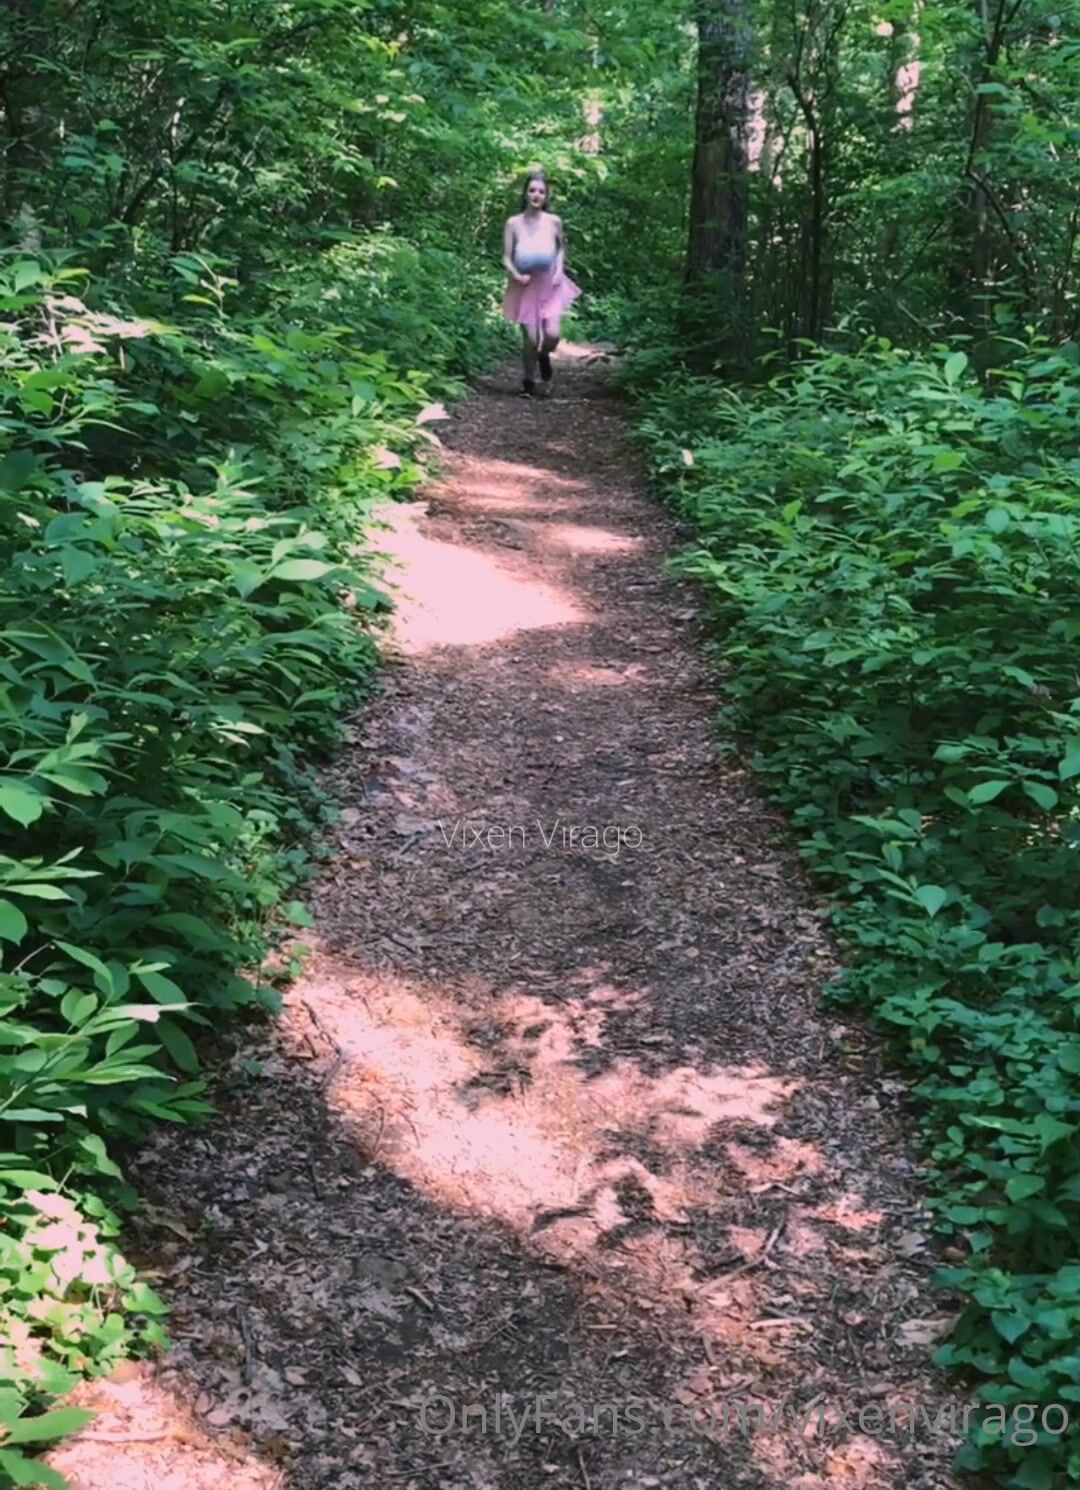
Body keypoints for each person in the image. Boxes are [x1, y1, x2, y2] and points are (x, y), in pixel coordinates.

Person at [502, 171, 581, 397]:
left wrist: (559, 270)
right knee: (531, 339)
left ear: (546, 196)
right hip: (524, 286)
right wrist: (516, 275)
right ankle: (528, 380)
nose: (536, 195)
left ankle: (544, 355)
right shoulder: (513, 223)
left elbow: (560, 248)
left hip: (551, 285)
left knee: (552, 336)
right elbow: (506, 257)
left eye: (541, 191)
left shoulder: (553, 221)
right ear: (525, 194)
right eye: (532, 190)